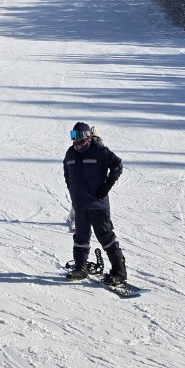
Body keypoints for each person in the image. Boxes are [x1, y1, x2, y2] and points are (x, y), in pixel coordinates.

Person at [63, 121, 127, 285]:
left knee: (106, 237)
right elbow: (67, 174)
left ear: (87, 135)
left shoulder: (98, 150)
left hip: (97, 203)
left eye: (78, 135)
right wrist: (72, 190)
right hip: (80, 204)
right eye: (73, 135)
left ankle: (119, 272)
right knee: (80, 237)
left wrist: (106, 186)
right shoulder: (70, 153)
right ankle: (80, 268)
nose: (75, 140)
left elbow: (117, 165)